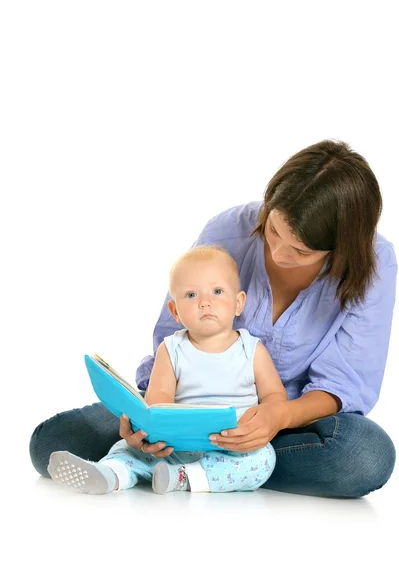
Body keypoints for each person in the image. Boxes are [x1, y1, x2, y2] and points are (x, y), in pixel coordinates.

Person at [30, 139, 397, 498]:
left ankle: (194, 468)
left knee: (365, 456)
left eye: (301, 250)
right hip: (182, 409)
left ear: (343, 246)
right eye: (272, 230)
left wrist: (276, 417)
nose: (278, 252)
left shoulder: (375, 266)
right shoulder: (228, 232)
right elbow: (173, 337)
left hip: (289, 422)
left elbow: (345, 384)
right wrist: (149, 421)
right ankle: (211, 469)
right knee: (52, 443)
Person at [47, 246, 285, 494]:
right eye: (191, 295)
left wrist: (259, 423)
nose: (205, 302)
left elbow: (275, 398)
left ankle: (181, 478)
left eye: (217, 291)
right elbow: (158, 399)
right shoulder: (171, 349)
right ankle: (110, 474)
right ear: (175, 312)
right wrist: (152, 429)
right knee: (125, 448)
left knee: (263, 459)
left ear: (238, 303)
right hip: (175, 446)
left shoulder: (252, 350)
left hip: (232, 446)